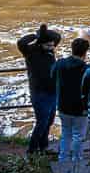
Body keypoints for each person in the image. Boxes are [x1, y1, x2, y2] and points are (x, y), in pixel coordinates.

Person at [16, 25, 60, 155]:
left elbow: (58, 37)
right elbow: (21, 42)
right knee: (42, 122)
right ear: (40, 44)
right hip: (39, 93)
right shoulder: (30, 52)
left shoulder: (50, 49)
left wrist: (44, 33)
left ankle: (43, 147)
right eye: (49, 45)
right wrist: (36, 36)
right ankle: (31, 151)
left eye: (52, 45)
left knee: (50, 120)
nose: (52, 47)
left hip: (52, 91)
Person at [50, 37, 90, 166]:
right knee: (78, 135)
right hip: (81, 108)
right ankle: (77, 160)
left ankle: (63, 159)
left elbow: (52, 76)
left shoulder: (60, 64)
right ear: (85, 52)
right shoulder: (87, 69)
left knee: (66, 133)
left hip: (63, 105)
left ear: (72, 49)